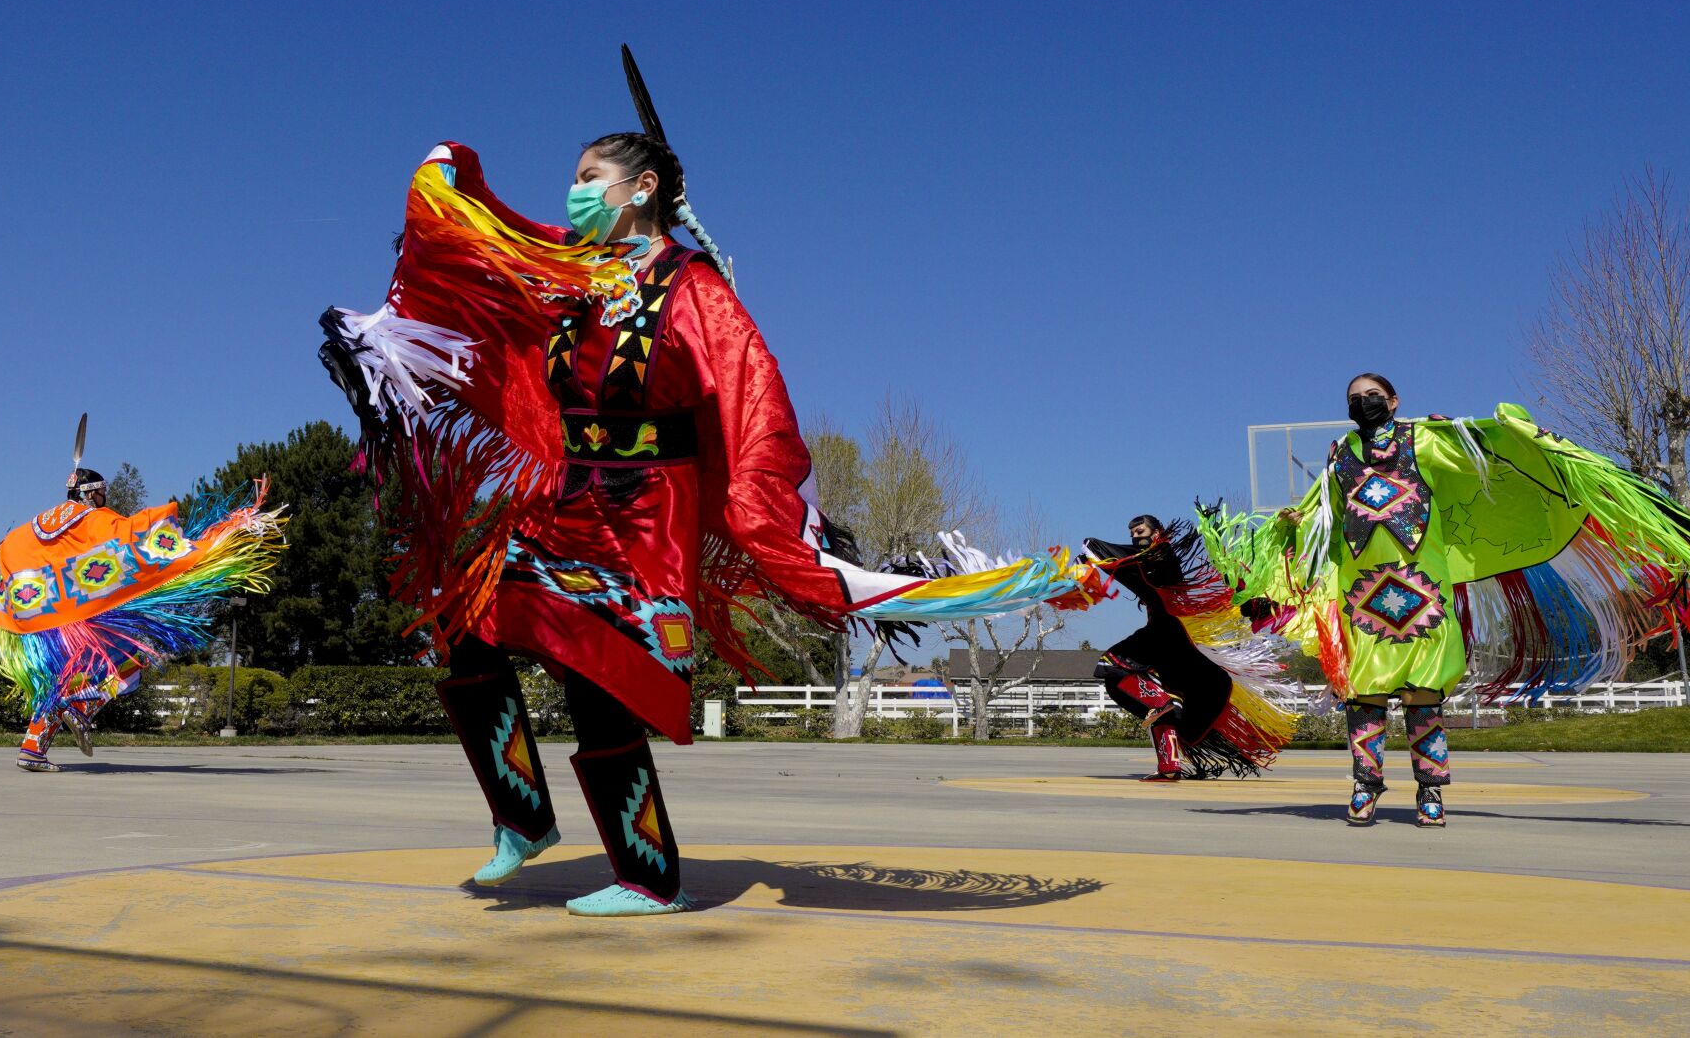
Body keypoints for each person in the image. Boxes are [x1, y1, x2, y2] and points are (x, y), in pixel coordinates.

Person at [319, 133, 1104, 915]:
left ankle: (650, 874)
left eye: (590, 177)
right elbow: (484, 223)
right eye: (574, 178)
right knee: (465, 629)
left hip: (643, 514)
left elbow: (754, 404)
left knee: (600, 681)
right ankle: (523, 815)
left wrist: (775, 517)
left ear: (642, 187)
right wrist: (444, 158)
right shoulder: (575, 269)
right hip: (566, 501)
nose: (575, 191)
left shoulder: (694, 289)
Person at [1199, 373, 1690, 827]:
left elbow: (1487, 462)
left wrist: (1516, 436)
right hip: (1360, 594)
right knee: (1363, 695)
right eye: (1352, 398)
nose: (1360, 403)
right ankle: (1366, 784)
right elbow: (1323, 513)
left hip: (1422, 590)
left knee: (1421, 695)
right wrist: (1288, 533)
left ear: (1393, 401)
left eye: (1371, 395)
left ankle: (1430, 790)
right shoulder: (1339, 455)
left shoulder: (1426, 442)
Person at [0, 463, 285, 771]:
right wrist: (177, 526)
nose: (105, 498)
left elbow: (11, 547)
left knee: (58, 683)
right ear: (90, 494)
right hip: (83, 621)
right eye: (102, 493)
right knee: (128, 667)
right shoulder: (95, 518)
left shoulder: (34, 525)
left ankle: (33, 749)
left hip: (42, 625)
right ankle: (79, 707)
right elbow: (131, 536)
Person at [1086, 515, 1300, 781]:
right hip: (1172, 638)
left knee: (1112, 664)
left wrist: (1093, 550)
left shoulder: (1160, 555)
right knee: (1158, 708)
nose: (1134, 536)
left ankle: (1162, 701)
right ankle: (1169, 767)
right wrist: (1099, 560)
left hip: (1165, 632)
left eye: (1139, 530)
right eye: (1131, 532)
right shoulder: (1151, 557)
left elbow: (1128, 562)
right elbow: (1131, 568)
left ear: (1156, 532)